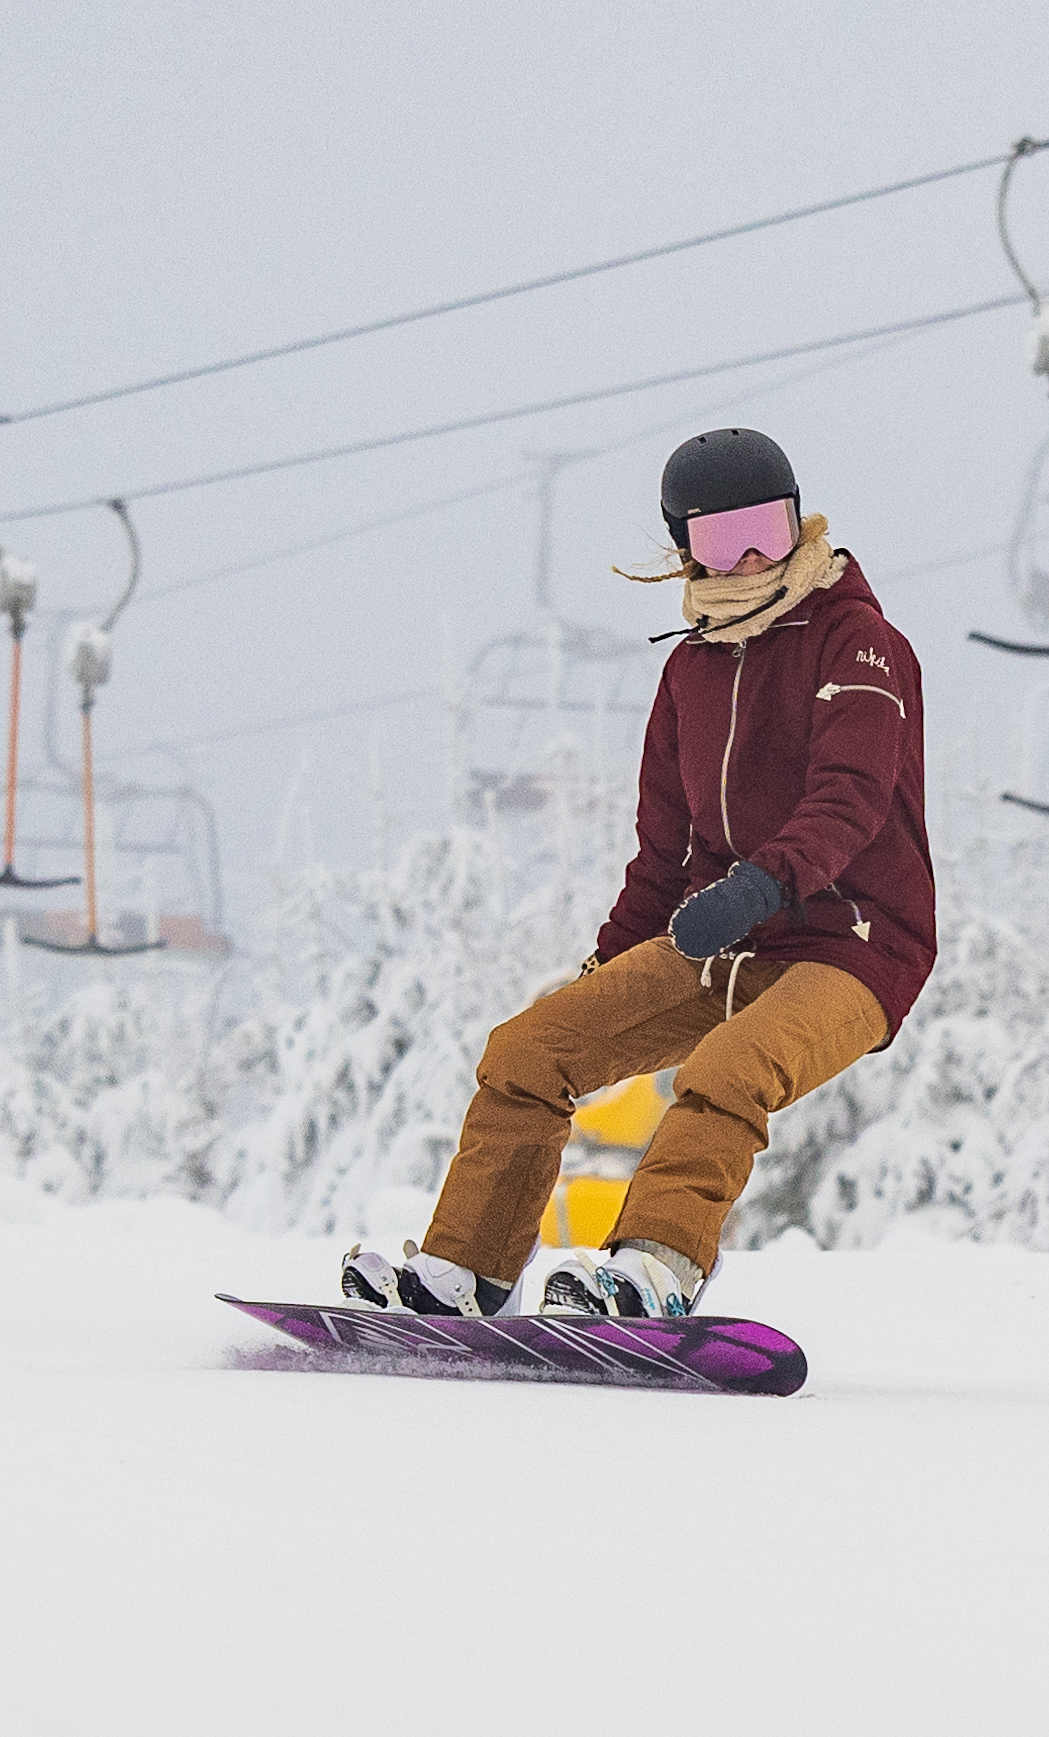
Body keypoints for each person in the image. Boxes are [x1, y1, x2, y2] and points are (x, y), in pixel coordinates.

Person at [347, 425, 931, 1323]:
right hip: (721, 938)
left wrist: (760, 886)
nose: (743, 559)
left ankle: (654, 1266)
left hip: (852, 947)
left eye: (766, 535)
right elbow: (661, 853)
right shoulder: (688, 672)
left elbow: (849, 799)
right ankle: (465, 1270)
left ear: (798, 525)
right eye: (717, 539)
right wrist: (610, 966)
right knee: (532, 1048)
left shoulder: (858, 645)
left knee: (733, 1066)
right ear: (682, 549)